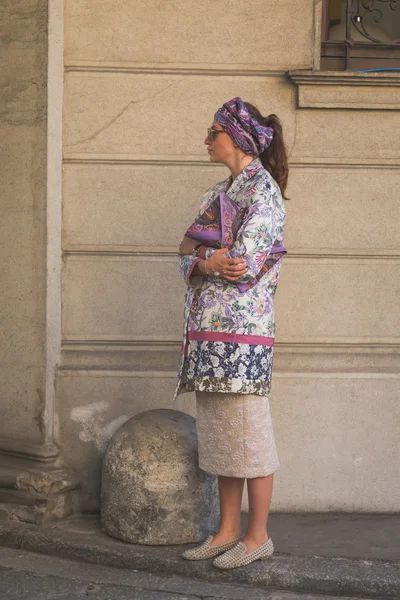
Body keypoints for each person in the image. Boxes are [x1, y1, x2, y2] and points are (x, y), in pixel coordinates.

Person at [175, 97, 288, 570]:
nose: (207, 139)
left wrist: (213, 259)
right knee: (222, 435)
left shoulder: (264, 194)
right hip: (208, 332)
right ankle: (226, 531)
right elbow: (183, 251)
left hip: (244, 334)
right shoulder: (215, 194)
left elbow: (245, 266)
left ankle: (257, 535)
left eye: (213, 132)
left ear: (237, 139)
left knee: (250, 436)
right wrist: (206, 260)